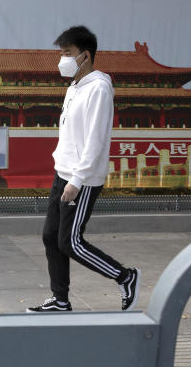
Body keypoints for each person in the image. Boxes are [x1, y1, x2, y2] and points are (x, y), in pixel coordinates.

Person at [27, 25, 140, 313]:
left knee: (70, 242)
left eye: (67, 53)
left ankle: (125, 276)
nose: (61, 60)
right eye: (61, 53)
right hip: (62, 173)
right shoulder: (74, 87)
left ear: (85, 56)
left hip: (82, 179)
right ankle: (60, 300)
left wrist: (77, 180)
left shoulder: (99, 88)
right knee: (51, 237)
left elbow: (95, 139)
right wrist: (63, 171)